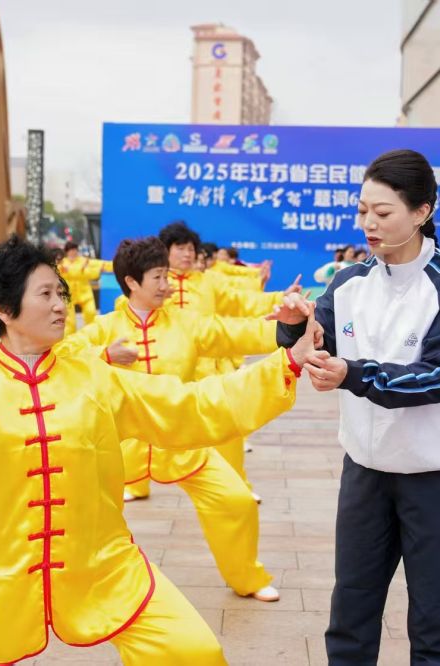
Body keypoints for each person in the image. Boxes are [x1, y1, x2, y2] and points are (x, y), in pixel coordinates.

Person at [0, 235, 318, 665]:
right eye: (46, 294)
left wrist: (286, 364)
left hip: (106, 570)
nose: (61, 304)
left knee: (195, 653)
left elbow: (195, 405)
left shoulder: (94, 379)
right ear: (4, 309)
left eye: (61, 292)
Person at [277, 149, 440, 665]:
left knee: (438, 619)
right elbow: (316, 340)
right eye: (363, 209)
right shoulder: (348, 282)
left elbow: (439, 377)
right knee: (351, 609)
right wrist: (293, 324)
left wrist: (355, 374)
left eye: (383, 212)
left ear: (421, 212)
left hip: (437, 473)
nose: (369, 223)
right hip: (366, 470)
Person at [70, 236, 300, 602]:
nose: (167, 284)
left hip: (179, 437)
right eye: (158, 277)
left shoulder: (185, 324)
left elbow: (232, 333)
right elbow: (60, 358)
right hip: (117, 445)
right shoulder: (104, 328)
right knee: (81, 514)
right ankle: (78, 586)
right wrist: (103, 354)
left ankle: (247, 577)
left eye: (167, 275)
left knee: (235, 501)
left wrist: (287, 331)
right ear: (132, 282)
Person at [158, 221, 300, 495]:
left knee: (227, 429)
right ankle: (134, 482)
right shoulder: (157, 283)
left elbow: (241, 300)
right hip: (166, 371)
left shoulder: (208, 281)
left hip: (210, 368)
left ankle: (237, 487)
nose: (187, 254)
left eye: (191, 249)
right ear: (165, 251)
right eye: (180, 248)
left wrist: (279, 298)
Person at [59, 241, 109, 330]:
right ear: (67, 252)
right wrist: (84, 271)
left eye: (74, 250)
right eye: (70, 250)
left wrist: (115, 265)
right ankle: (69, 340)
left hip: (85, 294)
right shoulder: (62, 264)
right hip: (68, 295)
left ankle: (91, 336)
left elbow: (101, 264)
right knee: (69, 322)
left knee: (91, 313)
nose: (73, 252)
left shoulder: (84, 261)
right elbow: (59, 272)